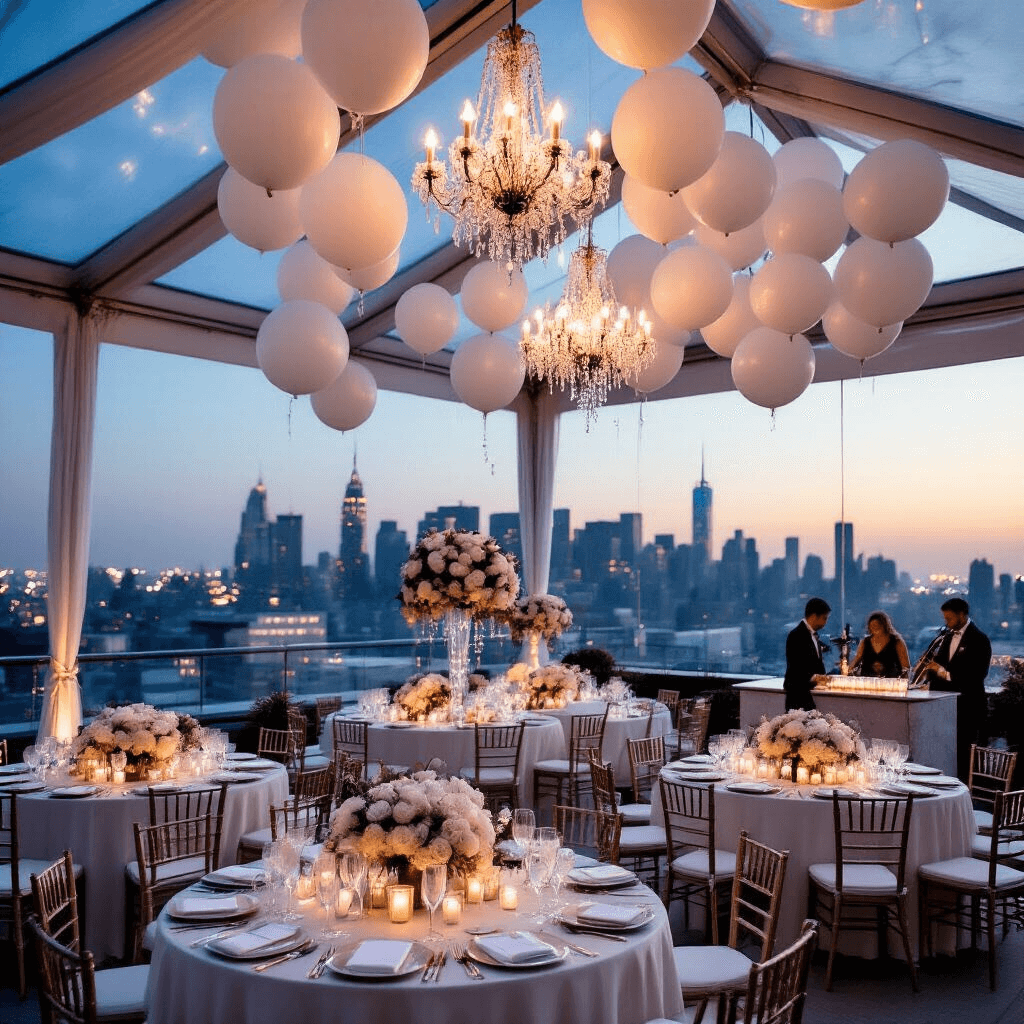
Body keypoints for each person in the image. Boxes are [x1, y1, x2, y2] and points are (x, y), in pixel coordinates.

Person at [924, 596, 992, 781]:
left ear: (962, 615)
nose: (946, 622)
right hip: (945, 707)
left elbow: (977, 675)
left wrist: (942, 672)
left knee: (965, 755)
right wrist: (927, 675)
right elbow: (939, 663)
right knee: (946, 753)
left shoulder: (980, 639)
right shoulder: (947, 637)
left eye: (949, 618)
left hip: (968, 706)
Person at [784, 597, 831, 711]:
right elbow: (796, 668)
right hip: (798, 695)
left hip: (807, 694)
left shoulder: (812, 635)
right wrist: (816, 678)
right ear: (814, 616)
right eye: (824, 618)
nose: (825, 623)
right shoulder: (796, 635)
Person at [851, 610, 911, 678]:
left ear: (885, 625)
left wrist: (905, 680)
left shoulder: (897, 642)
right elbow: (856, 661)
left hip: (891, 682)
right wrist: (847, 673)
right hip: (867, 682)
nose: (875, 627)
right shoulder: (865, 642)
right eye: (873, 626)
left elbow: (905, 667)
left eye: (878, 625)